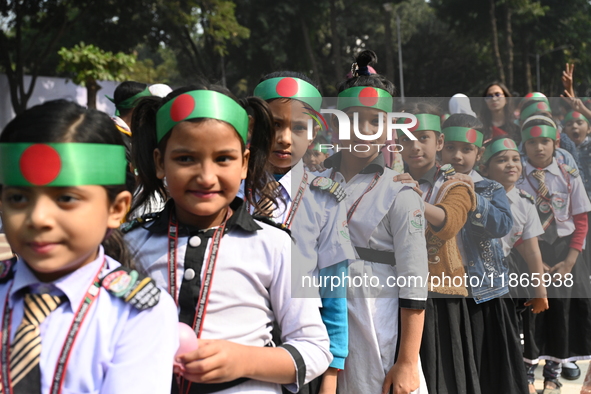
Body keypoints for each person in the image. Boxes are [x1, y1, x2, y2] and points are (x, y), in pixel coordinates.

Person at [123, 84, 332, 394]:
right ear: (158, 162)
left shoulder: (276, 245)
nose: (206, 176)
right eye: (185, 159)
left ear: (244, 162)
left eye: (223, 159)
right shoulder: (130, 244)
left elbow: (315, 350)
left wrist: (244, 360)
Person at [0, 99, 179, 393]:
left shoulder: (138, 314)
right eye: (18, 198)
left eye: (66, 199)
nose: (38, 218)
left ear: (116, 208)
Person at [319, 49, 429, 394]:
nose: (364, 131)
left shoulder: (400, 192)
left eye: (375, 121)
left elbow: (414, 279)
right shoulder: (312, 182)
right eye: (353, 119)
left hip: (375, 313)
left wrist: (408, 362)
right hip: (322, 313)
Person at [252, 71, 355, 394]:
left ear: (312, 135)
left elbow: (333, 289)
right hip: (243, 342)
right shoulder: (229, 193)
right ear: (253, 128)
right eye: (274, 125)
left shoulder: (324, 198)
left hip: (305, 350)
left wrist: (331, 373)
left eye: (298, 127)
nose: (284, 138)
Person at [394, 104, 480, 394]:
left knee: (443, 375)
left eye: (423, 138)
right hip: (398, 292)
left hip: (442, 295)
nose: (414, 146)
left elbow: (450, 222)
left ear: (439, 142)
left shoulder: (457, 183)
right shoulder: (385, 179)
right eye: (406, 139)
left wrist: (413, 199)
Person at [516, 115, 591, 394]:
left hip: (565, 254)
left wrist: (571, 259)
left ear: (555, 142)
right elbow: (513, 224)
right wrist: (531, 259)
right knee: (532, 313)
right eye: (532, 142)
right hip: (529, 252)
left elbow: (581, 219)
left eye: (545, 141)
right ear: (524, 145)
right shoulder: (517, 175)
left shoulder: (569, 177)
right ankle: (525, 373)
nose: (539, 148)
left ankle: (552, 373)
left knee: (561, 311)